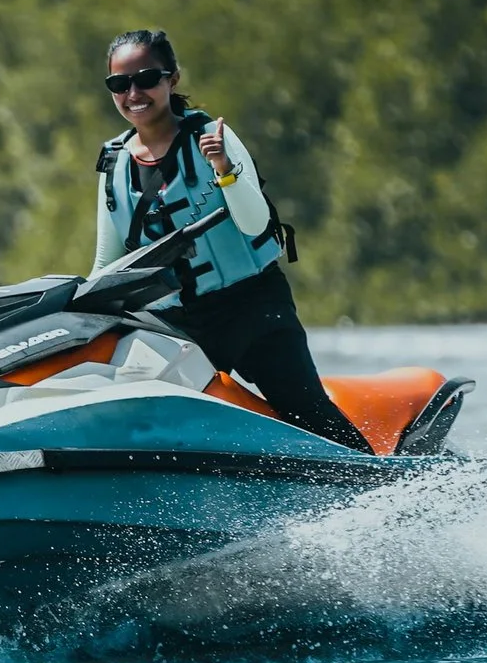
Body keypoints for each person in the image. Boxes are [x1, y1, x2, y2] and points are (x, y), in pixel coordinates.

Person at [93, 29, 372, 454]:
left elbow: (253, 220)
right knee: (153, 416)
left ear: (172, 80)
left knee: (304, 409)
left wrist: (223, 167)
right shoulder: (113, 162)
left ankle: (377, 485)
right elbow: (106, 263)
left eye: (147, 79)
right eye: (120, 84)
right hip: (177, 324)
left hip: (252, 308)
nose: (134, 93)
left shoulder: (214, 137)